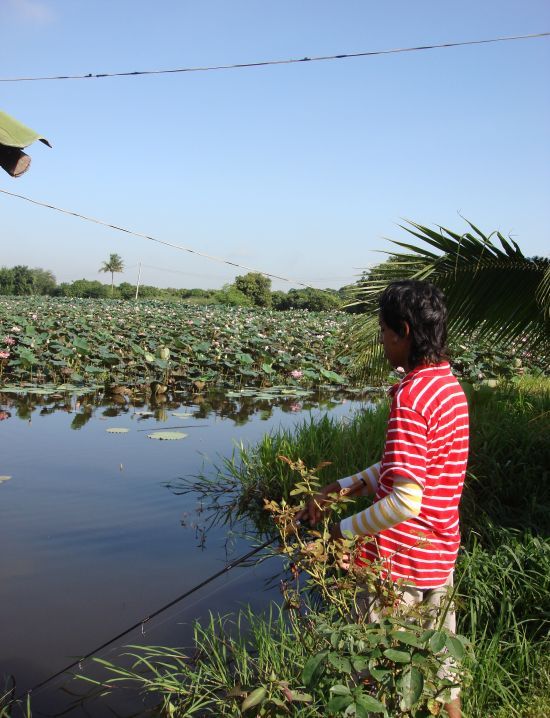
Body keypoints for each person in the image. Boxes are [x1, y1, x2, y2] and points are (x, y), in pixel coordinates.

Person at [298, 279, 468, 718]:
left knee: (378, 679)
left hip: (399, 566)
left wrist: (341, 532)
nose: (382, 341)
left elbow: (406, 500)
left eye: (384, 331)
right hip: (438, 556)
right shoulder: (447, 386)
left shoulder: (411, 398)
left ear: (405, 332)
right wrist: (344, 486)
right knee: (441, 675)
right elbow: (409, 467)